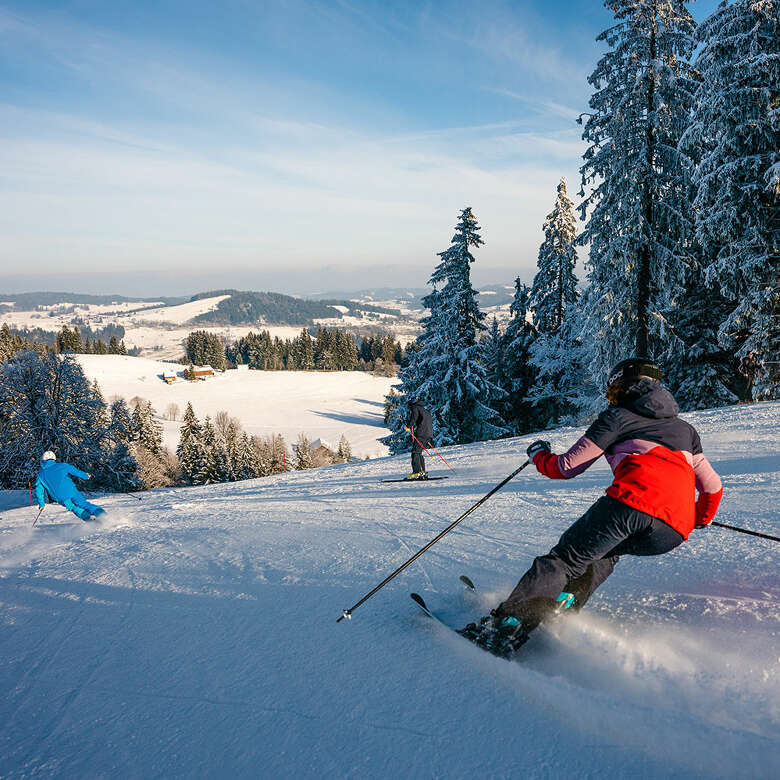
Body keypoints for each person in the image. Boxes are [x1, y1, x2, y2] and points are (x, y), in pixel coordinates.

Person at [461, 358, 723, 656]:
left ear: (627, 385)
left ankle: (505, 628)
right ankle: (559, 607)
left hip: (631, 505)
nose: (611, 395)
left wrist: (538, 455)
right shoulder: (685, 430)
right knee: (605, 554)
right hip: (673, 531)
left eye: (614, 388)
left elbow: (566, 466)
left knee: (563, 560)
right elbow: (712, 487)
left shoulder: (618, 417)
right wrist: (699, 518)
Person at [35, 451, 105, 522]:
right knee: (83, 504)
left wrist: (41, 504)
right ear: (54, 458)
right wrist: (85, 476)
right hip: (71, 491)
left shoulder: (41, 475)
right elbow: (75, 471)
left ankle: (89, 519)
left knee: (73, 507)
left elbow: (39, 490)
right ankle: (102, 515)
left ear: (43, 460)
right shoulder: (62, 466)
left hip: (60, 496)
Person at [405, 397, 434, 480]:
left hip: (421, 434)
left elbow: (414, 418)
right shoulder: (425, 410)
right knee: (418, 452)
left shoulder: (415, 408)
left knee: (415, 453)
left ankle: (417, 472)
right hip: (428, 434)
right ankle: (422, 472)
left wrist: (408, 426)